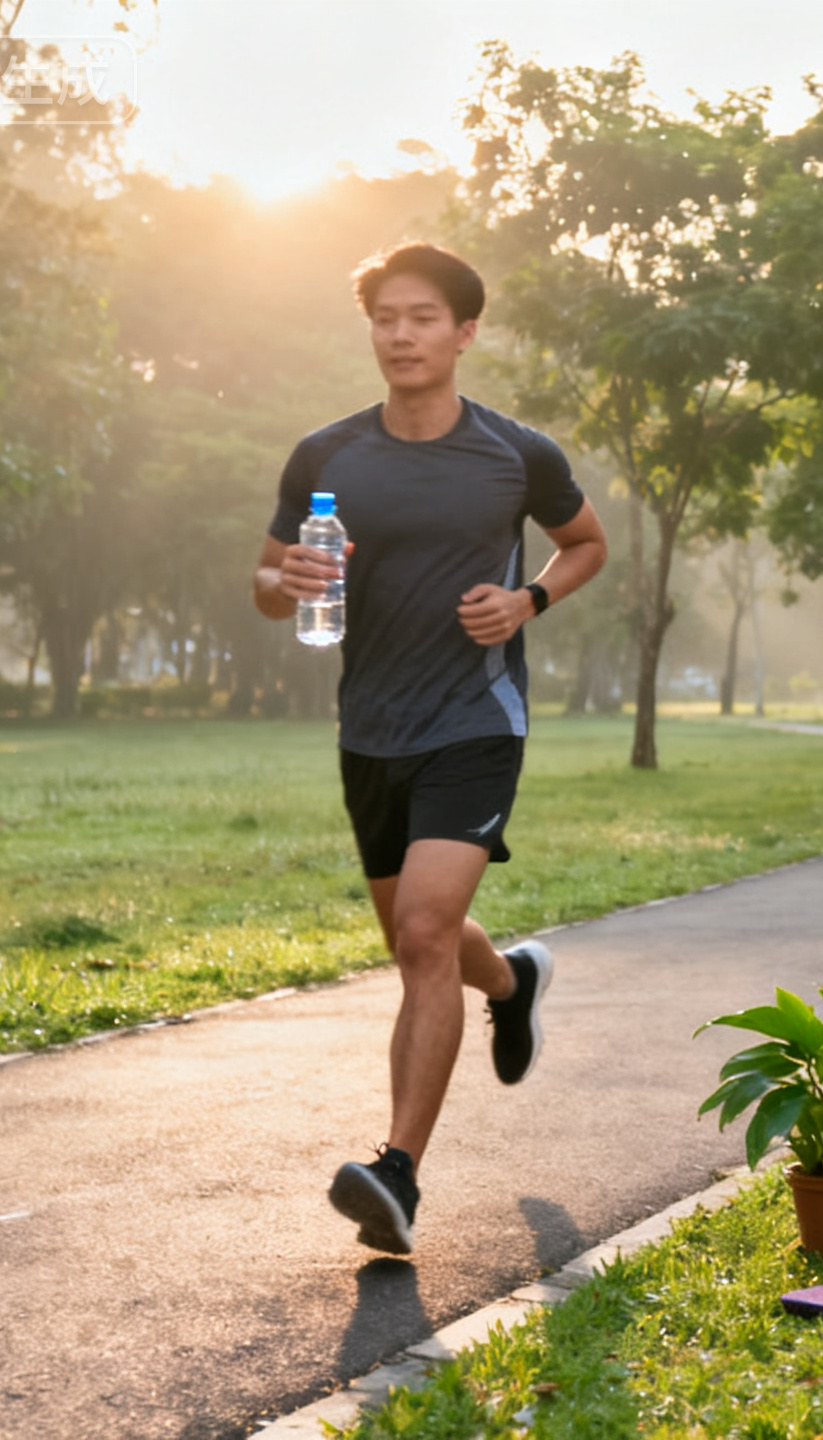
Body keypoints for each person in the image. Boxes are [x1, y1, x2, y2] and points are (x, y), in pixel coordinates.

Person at [251, 242, 608, 1254]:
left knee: (420, 934)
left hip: (476, 722)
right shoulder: (326, 456)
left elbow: (588, 542)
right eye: (384, 318)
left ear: (464, 332)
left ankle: (397, 1173)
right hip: (370, 730)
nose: (400, 335)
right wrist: (291, 587)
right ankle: (510, 982)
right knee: (426, 941)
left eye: (421, 318)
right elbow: (266, 584)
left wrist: (528, 598)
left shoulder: (513, 454)